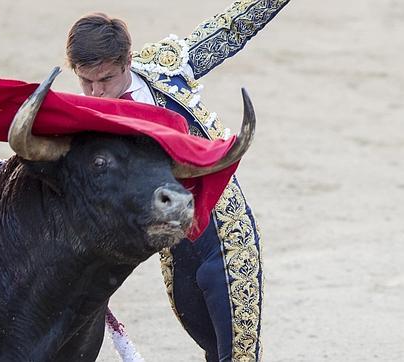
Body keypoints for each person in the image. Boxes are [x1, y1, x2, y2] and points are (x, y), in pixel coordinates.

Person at [66, 1, 290, 361]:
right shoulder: (87, 125)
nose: (96, 93)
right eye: (86, 81)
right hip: (175, 251)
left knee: (238, 356)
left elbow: (231, 27)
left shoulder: (165, 69)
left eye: (106, 79)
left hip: (226, 234)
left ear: (127, 61)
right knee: (212, 350)